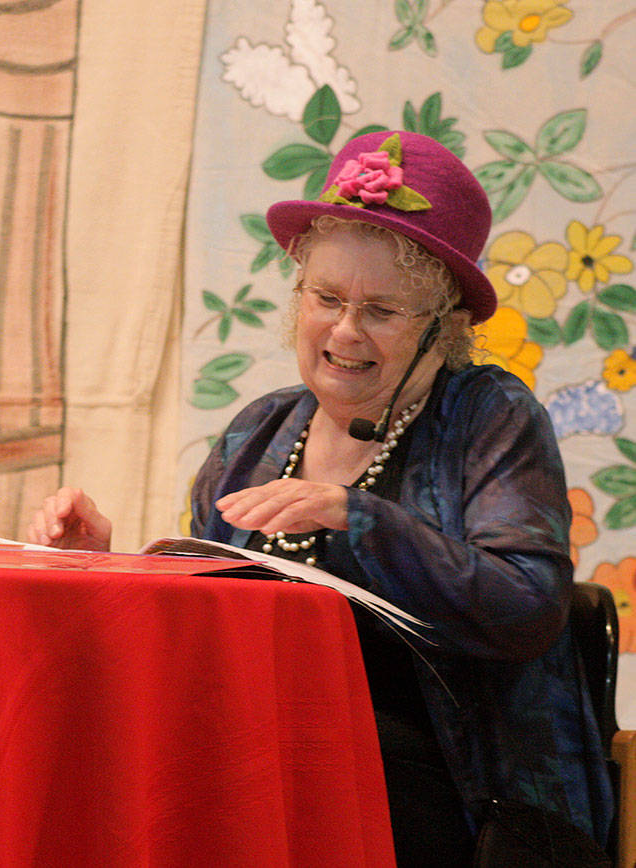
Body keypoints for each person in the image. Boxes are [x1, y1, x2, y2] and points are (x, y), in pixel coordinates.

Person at [30, 131, 613, 864]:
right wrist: (103, 566)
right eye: (327, 298)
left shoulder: (490, 417)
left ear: (447, 328)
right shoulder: (258, 432)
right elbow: (207, 632)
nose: (345, 330)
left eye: (382, 310)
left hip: (454, 802)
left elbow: (527, 608)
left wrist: (358, 516)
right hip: (264, 772)